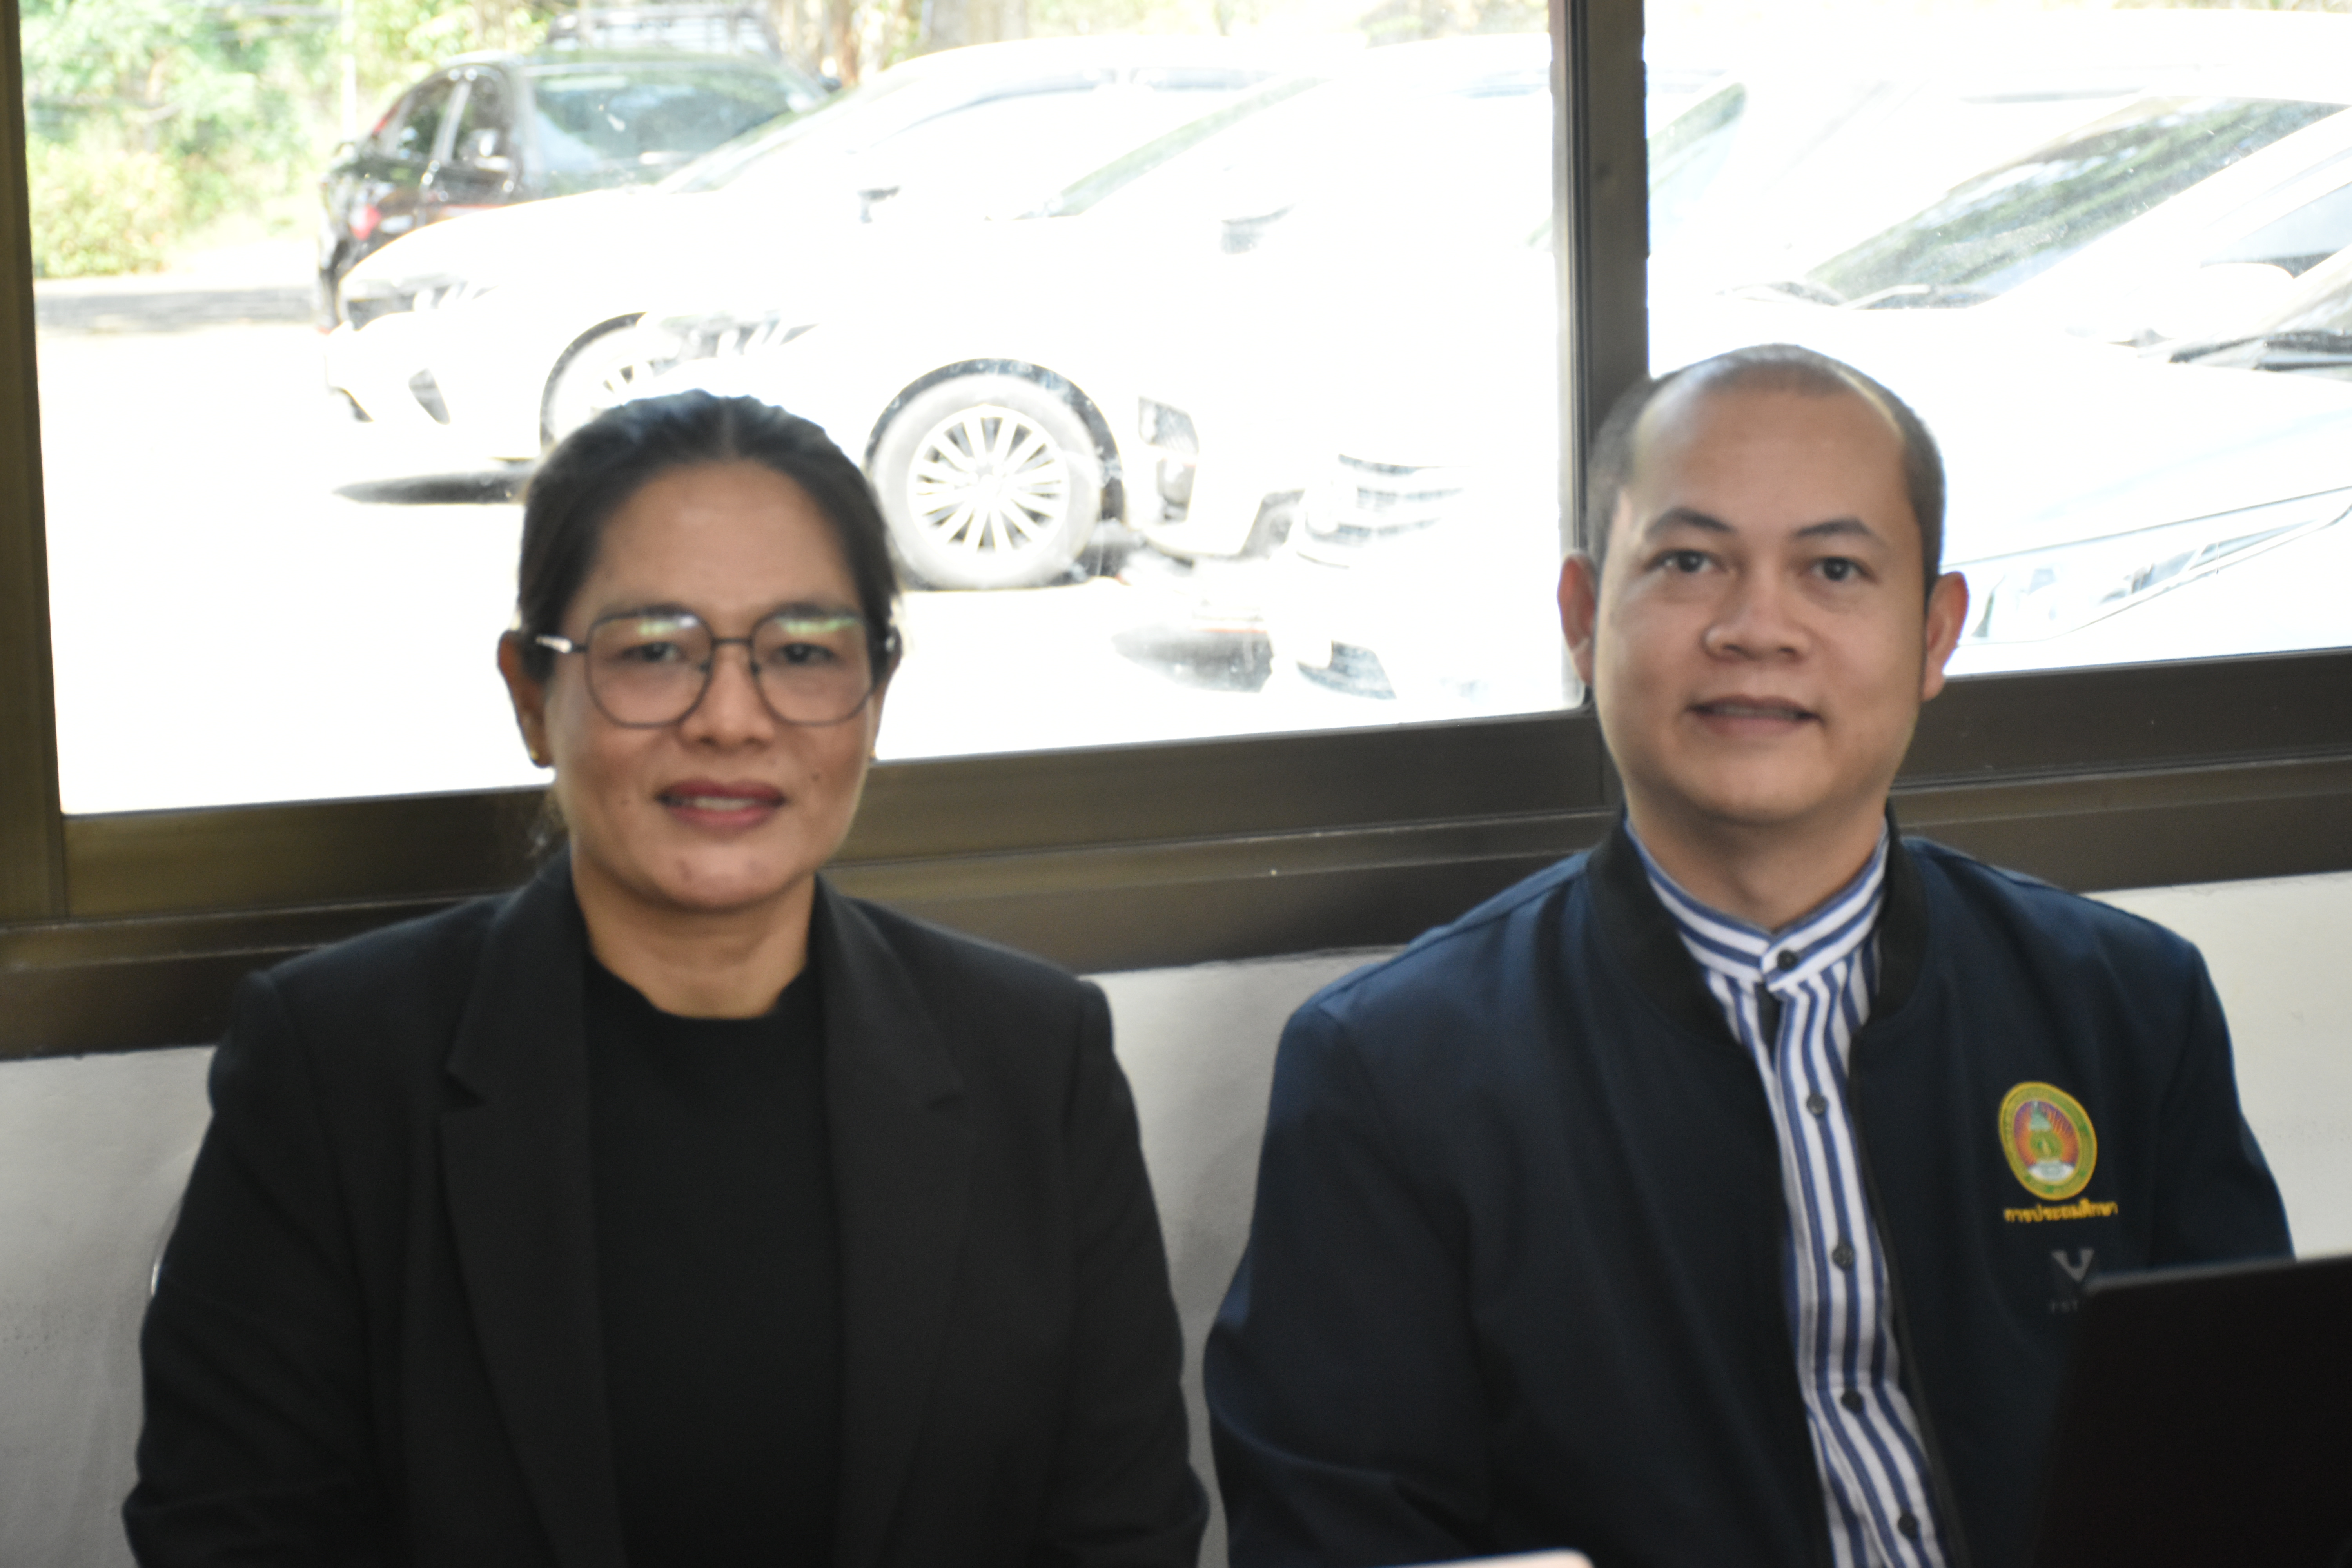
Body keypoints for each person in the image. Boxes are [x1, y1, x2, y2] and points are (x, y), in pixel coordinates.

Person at [1204, 344, 2291, 1568]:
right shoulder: (1392, 1072)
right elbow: (1341, 1538)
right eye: (1688, 562)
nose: (1756, 628)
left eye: (1834, 569)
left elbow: (2252, 1462)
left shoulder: (2126, 1006)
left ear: (1936, 634)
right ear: (1582, 618)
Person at [123, 390, 1207, 1568]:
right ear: (531, 695)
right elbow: (231, 1535)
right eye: (653, 652)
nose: (731, 720)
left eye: (803, 653)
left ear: (877, 694)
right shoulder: (332, 1065)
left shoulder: (1036, 1058)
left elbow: (1126, 1532)